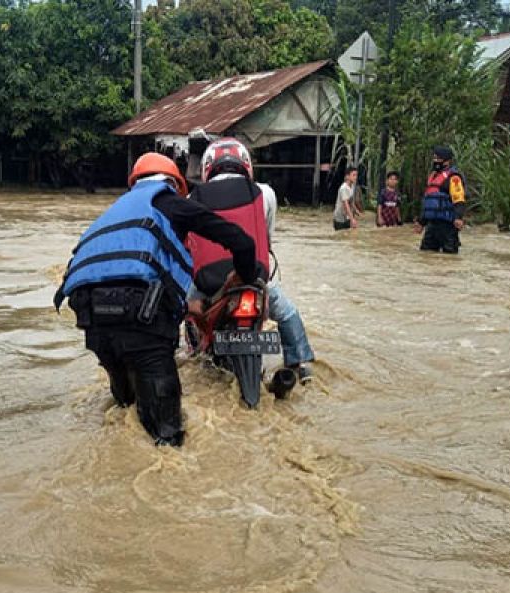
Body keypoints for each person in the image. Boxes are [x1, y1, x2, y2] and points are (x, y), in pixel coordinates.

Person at [54, 153, 257, 447]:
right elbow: (242, 241)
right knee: (166, 438)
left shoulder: (112, 213)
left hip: (90, 317)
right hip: (140, 321)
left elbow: (118, 273)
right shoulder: (170, 203)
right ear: (174, 183)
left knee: (125, 413)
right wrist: (244, 277)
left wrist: (185, 306)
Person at [185, 137, 316, 380]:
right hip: (253, 276)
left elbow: (193, 245)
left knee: (188, 307)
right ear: (245, 163)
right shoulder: (264, 192)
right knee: (287, 313)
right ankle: (300, 365)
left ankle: (196, 352)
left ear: (207, 167)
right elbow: (266, 237)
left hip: (210, 283)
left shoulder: (194, 197)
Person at [415, 146, 466, 254]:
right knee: (426, 254)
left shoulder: (453, 178)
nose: (435, 161)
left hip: (448, 226)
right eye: (434, 158)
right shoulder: (433, 177)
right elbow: (428, 203)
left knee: (449, 256)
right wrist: (421, 222)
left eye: (438, 158)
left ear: (447, 161)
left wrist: (458, 218)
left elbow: (459, 200)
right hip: (432, 226)